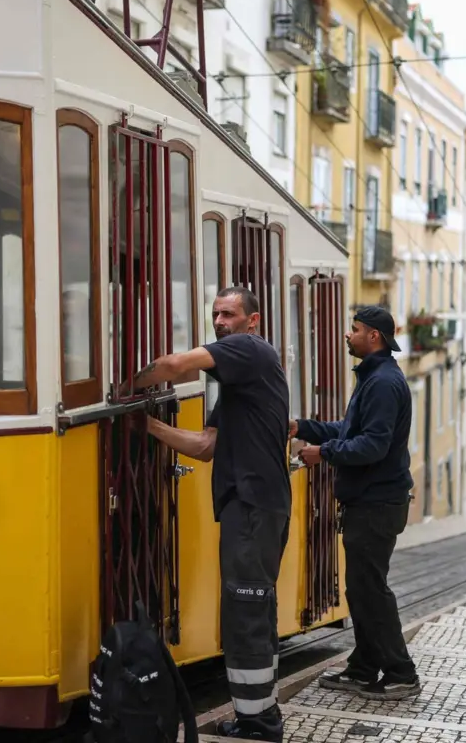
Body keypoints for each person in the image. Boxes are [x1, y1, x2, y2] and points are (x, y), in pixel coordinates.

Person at [136, 286, 290, 742]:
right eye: (215, 314)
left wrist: (123, 389)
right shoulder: (241, 386)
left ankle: (258, 724)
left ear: (252, 321)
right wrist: (146, 425)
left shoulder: (249, 350)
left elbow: (174, 366)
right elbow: (205, 447)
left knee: (244, 612)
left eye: (229, 313)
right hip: (255, 505)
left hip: (253, 505)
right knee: (255, 609)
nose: (220, 322)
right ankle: (260, 713)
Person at [290, 306, 420, 701]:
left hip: (377, 503)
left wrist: (323, 453)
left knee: (370, 591)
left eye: (355, 329)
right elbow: (350, 430)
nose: (348, 335)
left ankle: (401, 673)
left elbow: (372, 445)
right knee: (361, 590)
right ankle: (363, 669)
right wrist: (304, 427)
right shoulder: (374, 377)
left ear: (374, 337)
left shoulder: (381, 383)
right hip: (371, 502)